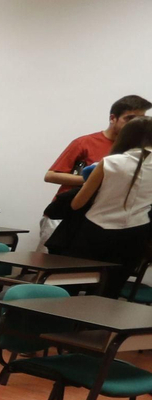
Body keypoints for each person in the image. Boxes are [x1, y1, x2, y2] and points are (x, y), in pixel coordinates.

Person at [42, 94, 150, 244]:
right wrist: (95, 179)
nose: (136, 124)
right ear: (113, 118)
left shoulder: (138, 153)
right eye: (129, 118)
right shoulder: (85, 142)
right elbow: (50, 176)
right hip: (65, 212)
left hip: (97, 219)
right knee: (48, 262)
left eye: (141, 119)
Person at [65, 115, 152, 293]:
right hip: (135, 233)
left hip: (95, 231)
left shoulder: (110, 162)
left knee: (72, 287)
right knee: (109, 293)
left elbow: (77, 204)